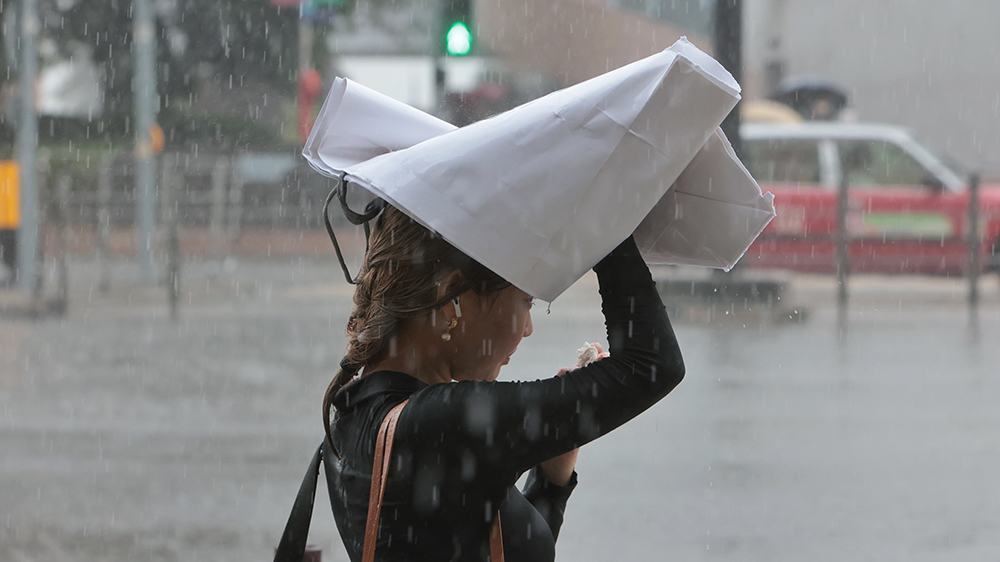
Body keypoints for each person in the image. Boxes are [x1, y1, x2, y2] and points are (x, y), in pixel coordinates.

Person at [318, 205, 686, 562]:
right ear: (454, 298)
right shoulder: (443, 424)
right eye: (526, 300)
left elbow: (501, 545)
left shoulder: (348, 421)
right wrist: (603, 213)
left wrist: (550, 480)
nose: (528, 328)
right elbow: (654, 365)